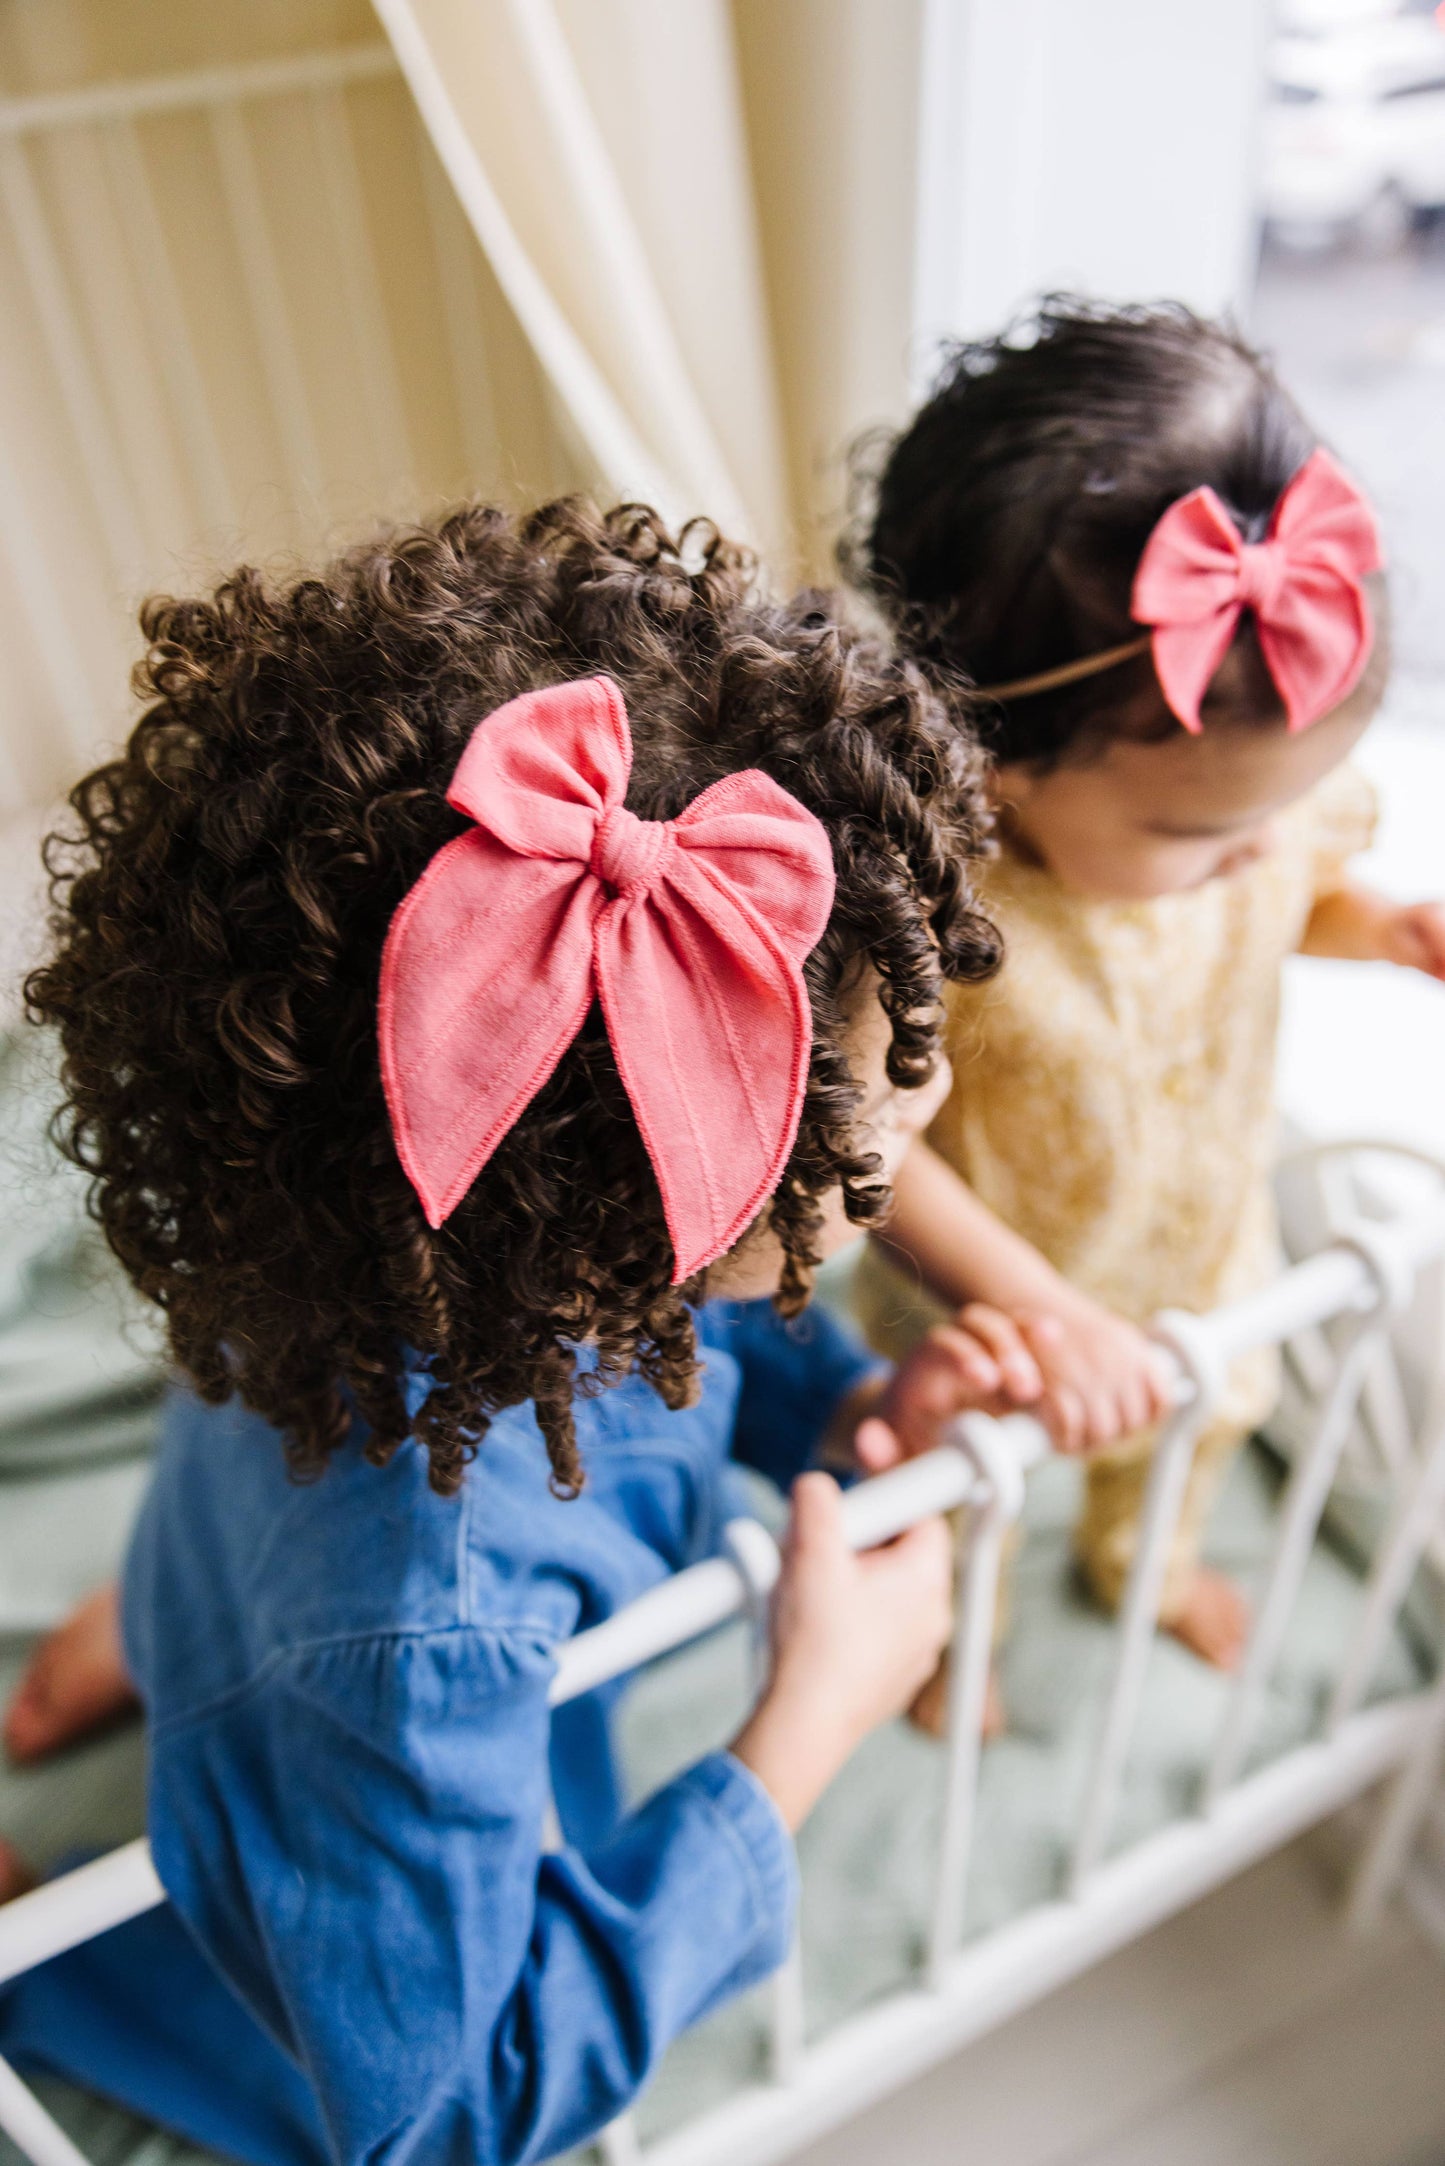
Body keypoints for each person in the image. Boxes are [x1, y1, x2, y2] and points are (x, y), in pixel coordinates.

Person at [0, 500, 1040, 2166]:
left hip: (265, 1545)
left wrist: (852, 1406)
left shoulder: (359, 1233)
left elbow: (689, 1340)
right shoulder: (431, 1637)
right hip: (349, 1679)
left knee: (261, 1589)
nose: (915, 1154)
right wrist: (800, 1730)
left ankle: (170, 1622)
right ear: (627, 1215)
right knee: (302, 2034)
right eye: (889, 1143)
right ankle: (54, 1951)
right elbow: (447, 2112)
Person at [848, 300, 1445, 1696]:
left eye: (1285, 808)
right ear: (991, 756)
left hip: (1195, 1244)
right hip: (996, 1305)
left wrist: (1382, 928)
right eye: (1198, 836)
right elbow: (866, 1147)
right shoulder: (936, 905)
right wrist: (1032, 1306)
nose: (1258, 848)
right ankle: (951, 1635)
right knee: (964, 1481)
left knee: (1199, 1423)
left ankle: (1146, 1561)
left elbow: (1285, 902)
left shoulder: (1252, 819)